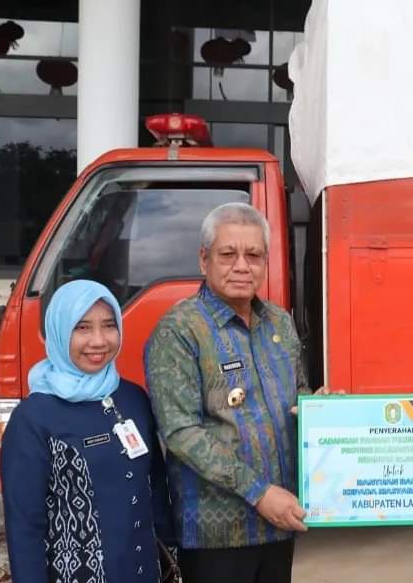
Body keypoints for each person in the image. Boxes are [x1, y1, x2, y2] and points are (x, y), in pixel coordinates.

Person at [145, 203, 308, 583]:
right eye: (228, 254)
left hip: (279, 522)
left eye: (253, 255)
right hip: (217, 535)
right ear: (204, 260)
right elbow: (181, 432)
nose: (242, 266)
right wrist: (260, 493)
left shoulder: (279, 323)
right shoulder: (179, 330)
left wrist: (322, 409)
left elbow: (297, 394)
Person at [1, 279, 174, 583]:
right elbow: (25, 527)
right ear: (59, 332)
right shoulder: (33, 418)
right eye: (82, 328)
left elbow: (156, 492)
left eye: (109, 325)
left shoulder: (133, 399)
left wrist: (173, 555)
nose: (98, 340)